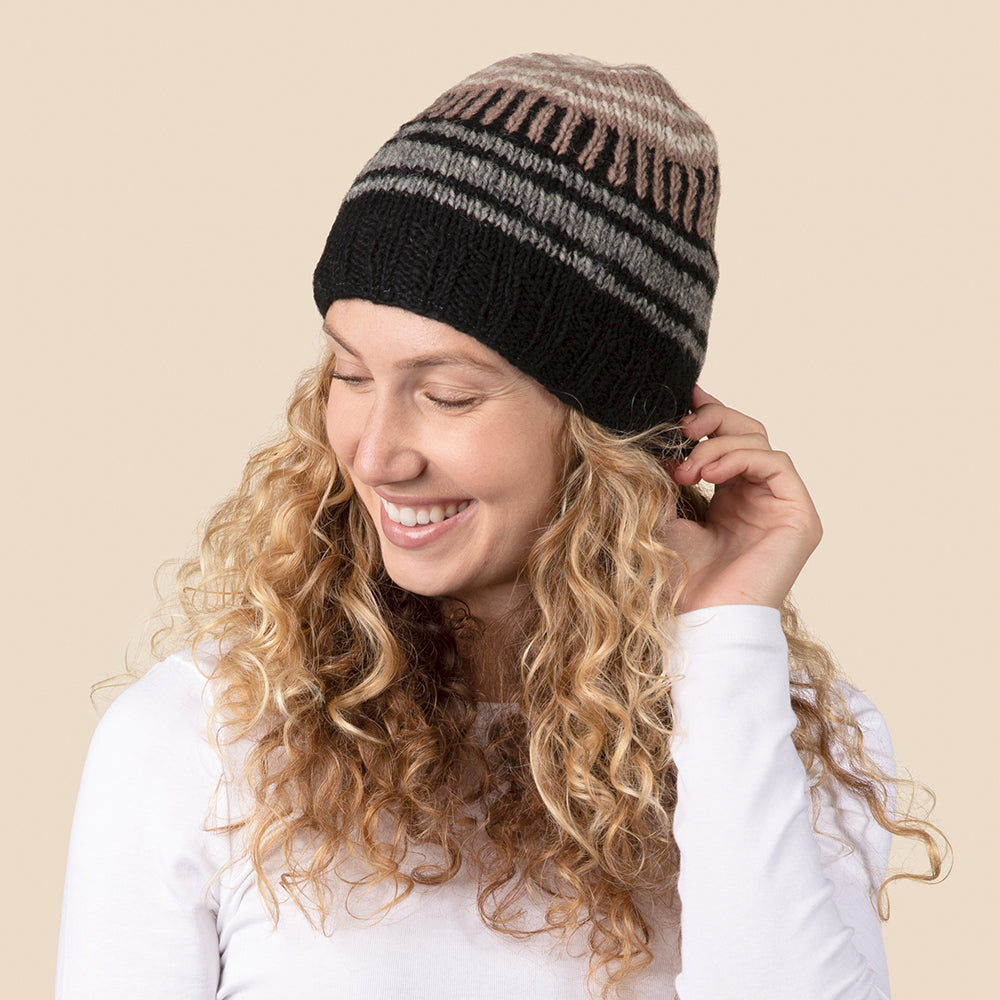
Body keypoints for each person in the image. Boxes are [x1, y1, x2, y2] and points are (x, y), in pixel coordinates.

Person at [56, 53, 942, 999]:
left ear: (606, 432)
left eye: (447, 394)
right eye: (350, 375)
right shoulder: (199, 738)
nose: (376, 453)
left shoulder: (781, 732)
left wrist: (725, 641)